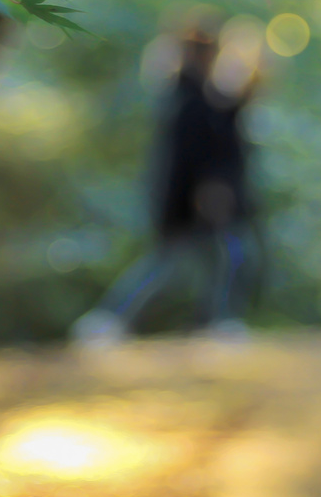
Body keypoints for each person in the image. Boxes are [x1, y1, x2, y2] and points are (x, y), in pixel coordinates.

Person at [72, 24, 257, 346]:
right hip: (190, 198)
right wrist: (206, 190)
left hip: (189, 197)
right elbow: (194, 152)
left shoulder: (195, 94)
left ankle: (212, 323)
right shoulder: (188, 97)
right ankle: (111, 321)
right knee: (197, 259)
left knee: (216, 257)